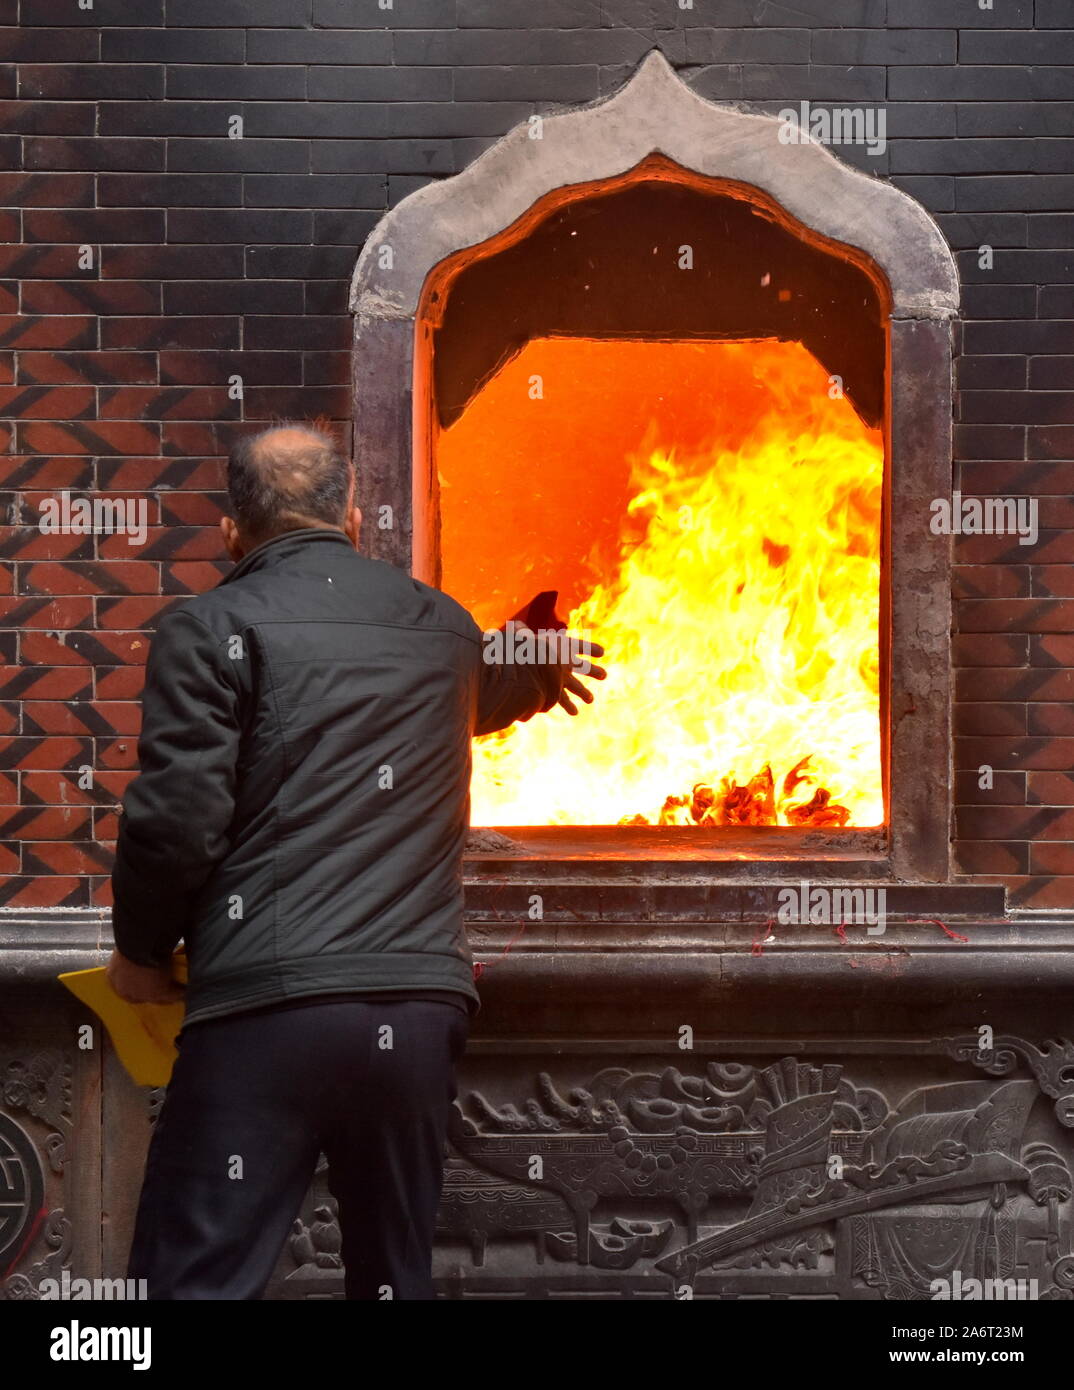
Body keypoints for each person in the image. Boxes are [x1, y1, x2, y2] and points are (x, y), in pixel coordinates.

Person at [107, 423, 604, 1300]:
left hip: (267, 1010)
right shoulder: (439, 626)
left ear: (232, 530)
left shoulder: (211, 627)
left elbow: (178, 820)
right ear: (353, 515)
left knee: (197, 1279)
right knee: (390, 1280)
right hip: (414, 1018)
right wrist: (529, 657)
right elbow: (467, 693)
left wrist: (141, 955)